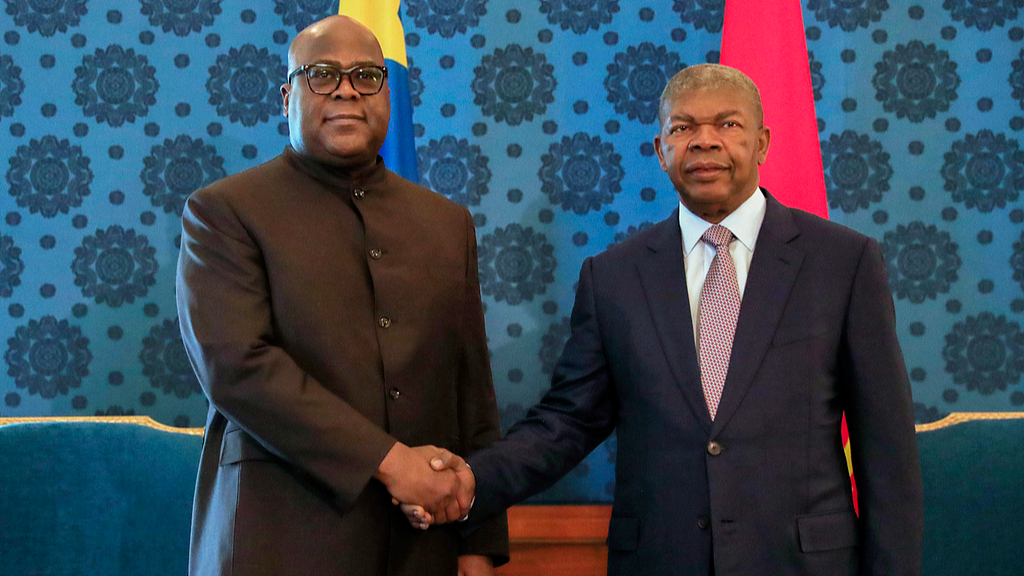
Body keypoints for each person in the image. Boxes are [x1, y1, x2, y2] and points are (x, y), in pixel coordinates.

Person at [403, 64, 923, 576]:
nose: (704, 140)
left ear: (762, 143)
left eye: (728, 124)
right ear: (660, 150)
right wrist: (471, 481)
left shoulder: (843, 262)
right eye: (683, 127)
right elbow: (568, 422)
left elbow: (887, 450)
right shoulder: (613, 277)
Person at [176, 15, 507, 576]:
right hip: (279, 538)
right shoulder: (226, 212)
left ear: (388, 95)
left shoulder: (446, 223)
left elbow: (471, 389)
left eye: (366, 76)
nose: (347, 90)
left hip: (421, 547)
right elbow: (237, 368)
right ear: (288, 98)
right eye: (322, 74)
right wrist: (392, 463)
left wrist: (478, 544)